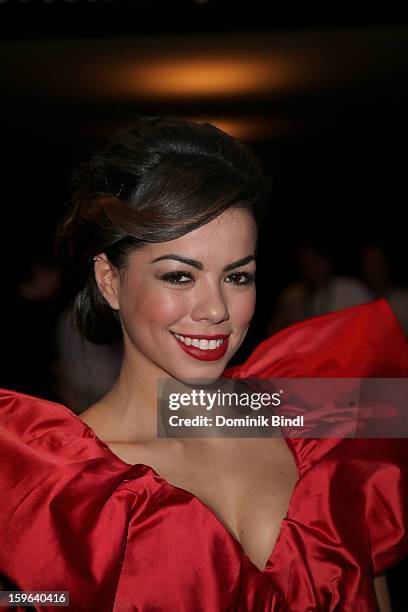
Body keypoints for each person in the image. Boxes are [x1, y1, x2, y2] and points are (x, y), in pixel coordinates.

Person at [0, 116, 407, 611]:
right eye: (178, 276)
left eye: (237, 277)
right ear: (109, 279)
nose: (216, 310)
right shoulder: (59, 494)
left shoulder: (326, 421)